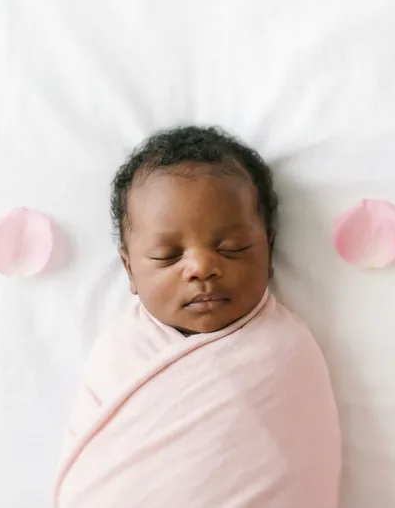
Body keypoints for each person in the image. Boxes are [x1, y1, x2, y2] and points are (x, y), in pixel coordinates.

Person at [54, 126, 341, 508]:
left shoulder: (285, 351)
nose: (202, 267)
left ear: (268, 251)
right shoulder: (118, 351)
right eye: (167, 256)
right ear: (129, 269)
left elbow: (301, 470)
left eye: (232, 248)